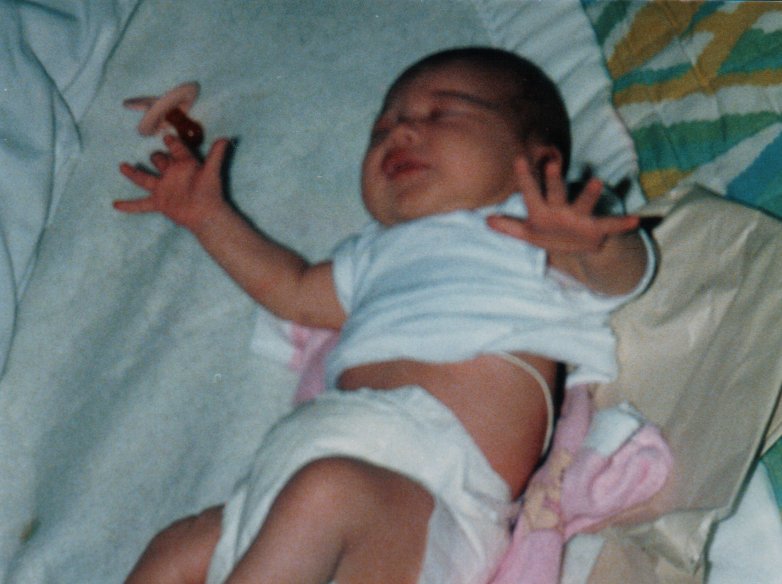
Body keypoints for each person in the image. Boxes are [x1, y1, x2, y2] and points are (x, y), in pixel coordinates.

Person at [116, 47, 653, 584]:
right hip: (296, 474)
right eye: (381, 128)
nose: (401, 133)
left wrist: (591, 243)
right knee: (178, 545)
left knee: (326, 494)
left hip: (430, 501)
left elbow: (626, 274)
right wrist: (208, 218)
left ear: (540, 163)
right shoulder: (373, 254)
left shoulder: (535, 234)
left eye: (442, 113)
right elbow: (293, 290)